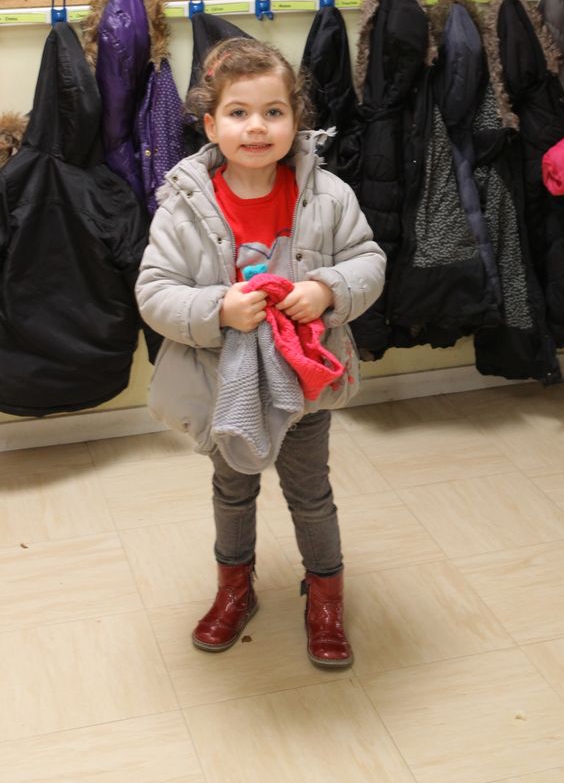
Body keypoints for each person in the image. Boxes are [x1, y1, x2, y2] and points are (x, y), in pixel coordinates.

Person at [136, 37, 385, 668]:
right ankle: (234, 588)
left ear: (296, 120)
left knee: (311, 494)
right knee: (232, 490)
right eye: (239, 112)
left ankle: (325, 596)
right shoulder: (182, 205)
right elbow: (154, 292)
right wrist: (216, 309)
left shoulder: (329, 195)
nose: (256, 127)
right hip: (224, 386)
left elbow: (369, 261)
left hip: (303, 386)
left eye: (274, 112)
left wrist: (326, 289)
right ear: (210, 124)